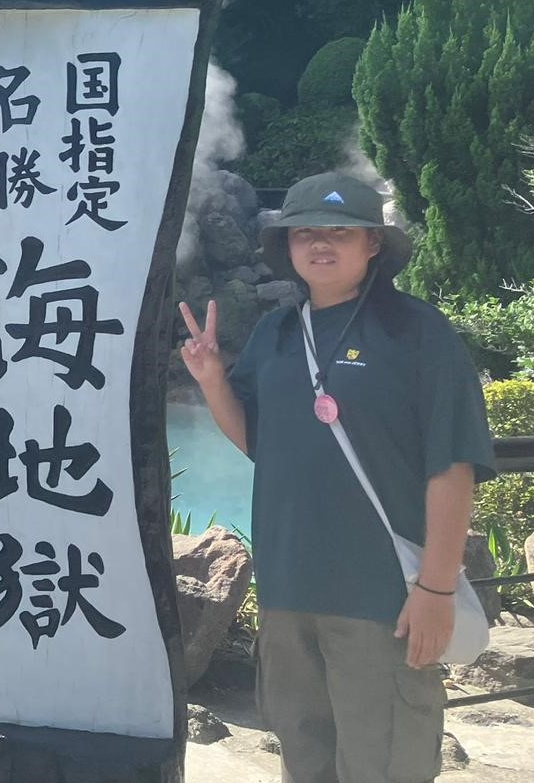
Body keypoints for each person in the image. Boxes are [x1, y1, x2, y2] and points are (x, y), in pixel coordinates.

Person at [178, 172, 495, 783]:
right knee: (305, 757)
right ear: (289, 246)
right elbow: (260, 445)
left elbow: (452, 467)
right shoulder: (276, 332)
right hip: (289, 595)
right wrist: (214, 380)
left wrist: (434, 590)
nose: (321, 244)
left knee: (385, 764)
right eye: (306, 233)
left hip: (383, 601)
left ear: (373, 243)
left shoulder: (417, 332)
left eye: (341, 232)